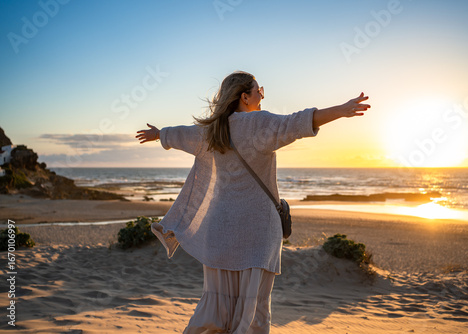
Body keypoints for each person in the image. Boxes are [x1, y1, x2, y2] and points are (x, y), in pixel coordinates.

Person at [135, 71, 370, 333]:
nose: (262, 95)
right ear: (245, 97)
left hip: (220, 231)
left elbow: (181, 134)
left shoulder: (211, 131)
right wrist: (342, 109)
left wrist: (160, 134)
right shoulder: (260, 124)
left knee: (215, 307)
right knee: (253, 310)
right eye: (259, 90)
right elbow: (299, 122)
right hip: (257, 232)